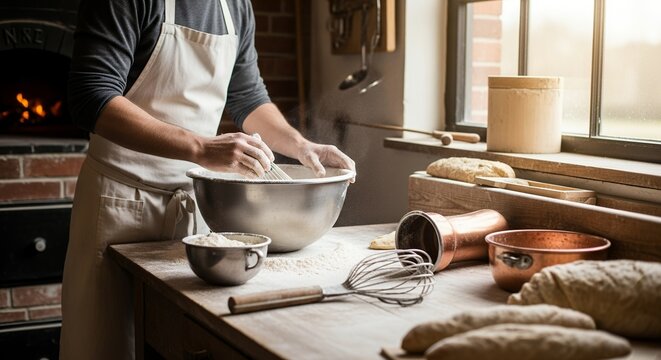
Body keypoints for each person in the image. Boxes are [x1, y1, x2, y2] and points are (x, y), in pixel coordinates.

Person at [60, 0, 356, 359]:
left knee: (183, 343)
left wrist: (300, 145)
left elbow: (247, 97)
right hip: (121, 203)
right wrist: (200, 147)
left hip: (197, 209)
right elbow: (92, 95)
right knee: (108, 346)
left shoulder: (236, 6)